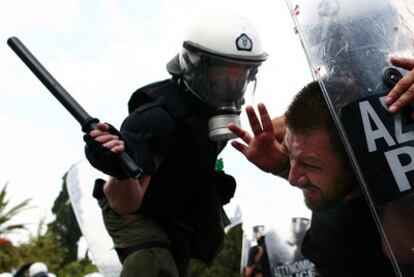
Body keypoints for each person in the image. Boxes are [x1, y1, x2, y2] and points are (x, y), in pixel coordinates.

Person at [84, 10, 267, 277]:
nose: (231, 85)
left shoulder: (213, 120)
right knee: (153, 262)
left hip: (175, 206)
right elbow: (126, 203)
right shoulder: (157, 119)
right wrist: (119, 168)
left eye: (240, 75)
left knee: (191, 256)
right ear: (194, 65)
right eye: (221, 73)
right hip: (135, 208)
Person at [228, 80, 407, 276]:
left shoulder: (397, 207)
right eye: (290, 153)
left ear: (357, 158)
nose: (292, 179)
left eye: (310, 164)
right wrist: (282, 166)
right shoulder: (328, 224)